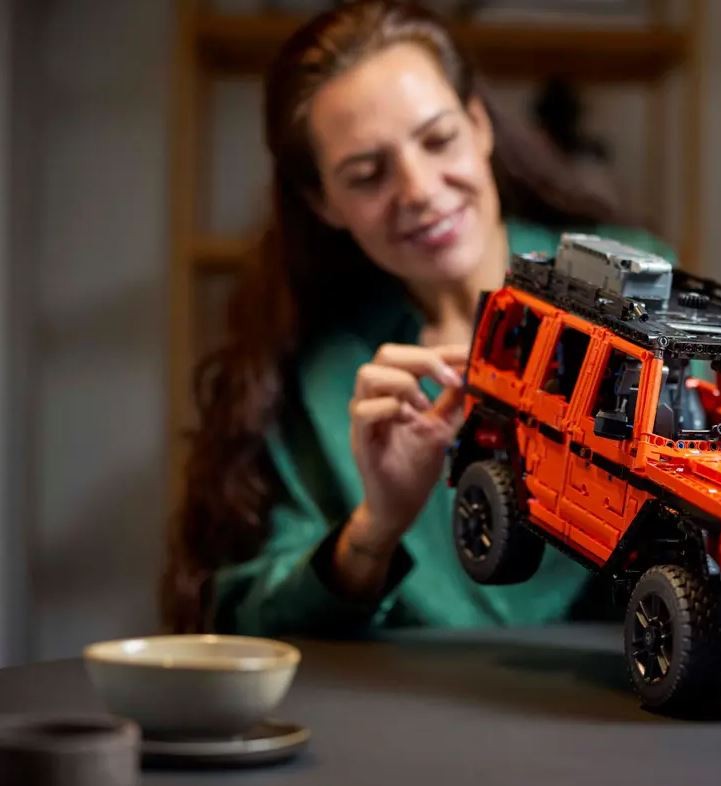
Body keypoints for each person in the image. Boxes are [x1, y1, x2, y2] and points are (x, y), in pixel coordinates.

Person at [160, 0, 675, 636]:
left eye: (438, 140)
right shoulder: (317, 370)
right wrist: (374, 529)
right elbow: (242, 619)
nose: (421, 190)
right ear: (323, 201)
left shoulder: (635, 289)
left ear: (479, 126)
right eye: (367, 174)